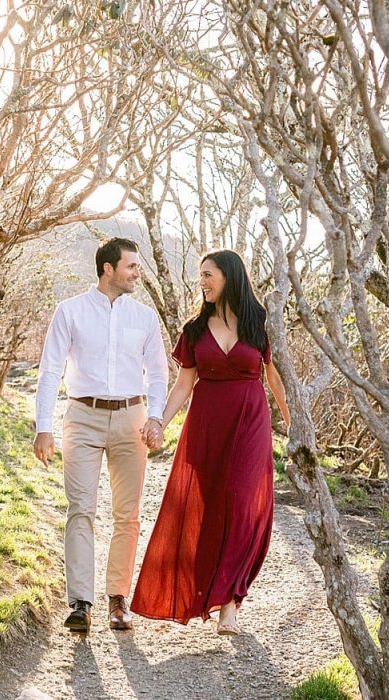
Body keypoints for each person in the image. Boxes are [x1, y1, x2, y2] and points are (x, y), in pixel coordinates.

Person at [130, 249, 289, 636]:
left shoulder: (259, 323)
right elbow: (185, 383)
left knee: (240, 503)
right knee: (209, 508)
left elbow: (275, 378)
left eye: (208, 275)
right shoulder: (194, 330)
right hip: (206, 424)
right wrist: (159, 422)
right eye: (200, 275)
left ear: (229, 276)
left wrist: (294, 424)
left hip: (250, 422)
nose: (201, 282)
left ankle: (230, 604)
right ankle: (210, 593)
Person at [32, 237, 169, 633]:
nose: (136, 274)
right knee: (81, 509)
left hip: (132, 418)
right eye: (130, 267)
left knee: (127, 515)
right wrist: (44, 427)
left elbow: (158, 373)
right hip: (83, 416)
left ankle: (117, 600)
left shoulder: (144, 318)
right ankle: (80, 602)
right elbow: (49, 370)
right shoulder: (70, 311)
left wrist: (156, 417)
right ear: (107, 269)